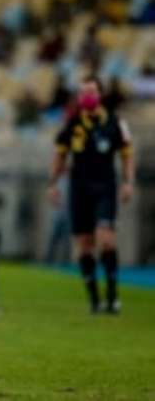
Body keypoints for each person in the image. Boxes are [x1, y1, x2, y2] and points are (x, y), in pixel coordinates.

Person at [48, 76, 135, 314]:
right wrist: (52, 183)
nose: (87, 96)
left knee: (105, 238)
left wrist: (128, 181)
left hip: (105, 187)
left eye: (92, 91)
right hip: (79, 190)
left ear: (100, 94)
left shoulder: (115, 123)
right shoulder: (72, 124)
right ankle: (95, 299)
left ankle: (113, 295)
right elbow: (59, 156)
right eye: (83, 92)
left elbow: (127, 155)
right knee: (84, 246)